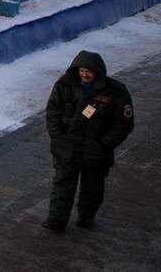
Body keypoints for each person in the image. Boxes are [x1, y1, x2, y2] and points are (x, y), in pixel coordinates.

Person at [43, 50, 134, 232]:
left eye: (89, 71)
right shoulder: (64, 85)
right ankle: (56, 220)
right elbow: (53, 111)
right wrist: (58, 136)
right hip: (67, 147)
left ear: (98, 72)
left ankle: (86, 216)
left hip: (96, 149)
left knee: (92, 187)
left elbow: (124, 123)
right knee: (62, 185)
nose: (85, 74)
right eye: (82, 70)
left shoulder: (115, 91)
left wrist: (104, 143)